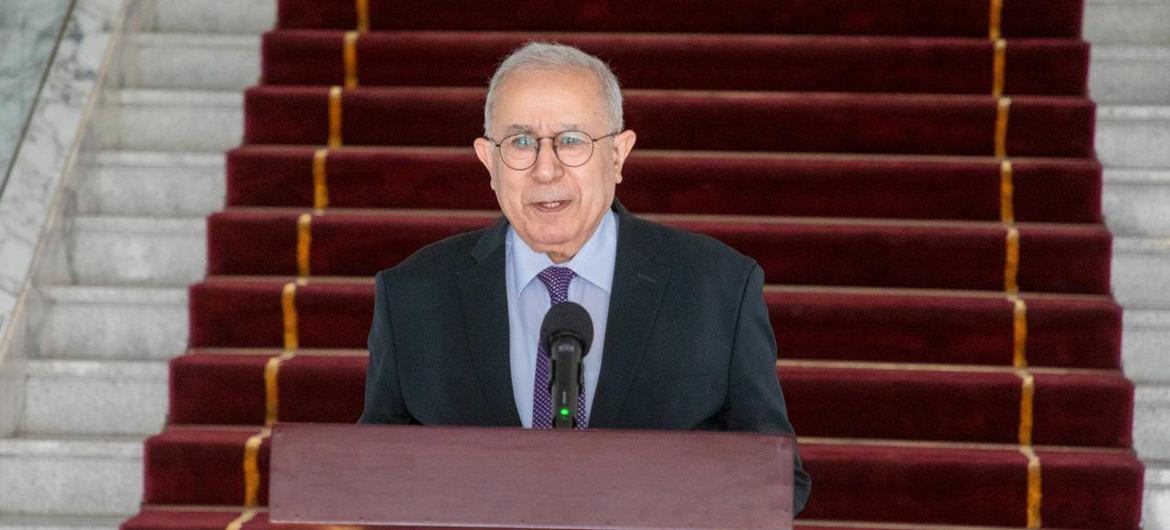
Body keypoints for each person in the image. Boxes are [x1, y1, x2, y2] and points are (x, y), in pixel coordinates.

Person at [359, 41, 811, 513]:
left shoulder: (718, 288)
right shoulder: (413, 295)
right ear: (487, 161)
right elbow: (372, 474)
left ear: (618, 155)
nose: (545, 168)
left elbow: (777, 482)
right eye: (520, 142)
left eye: (572, 140)